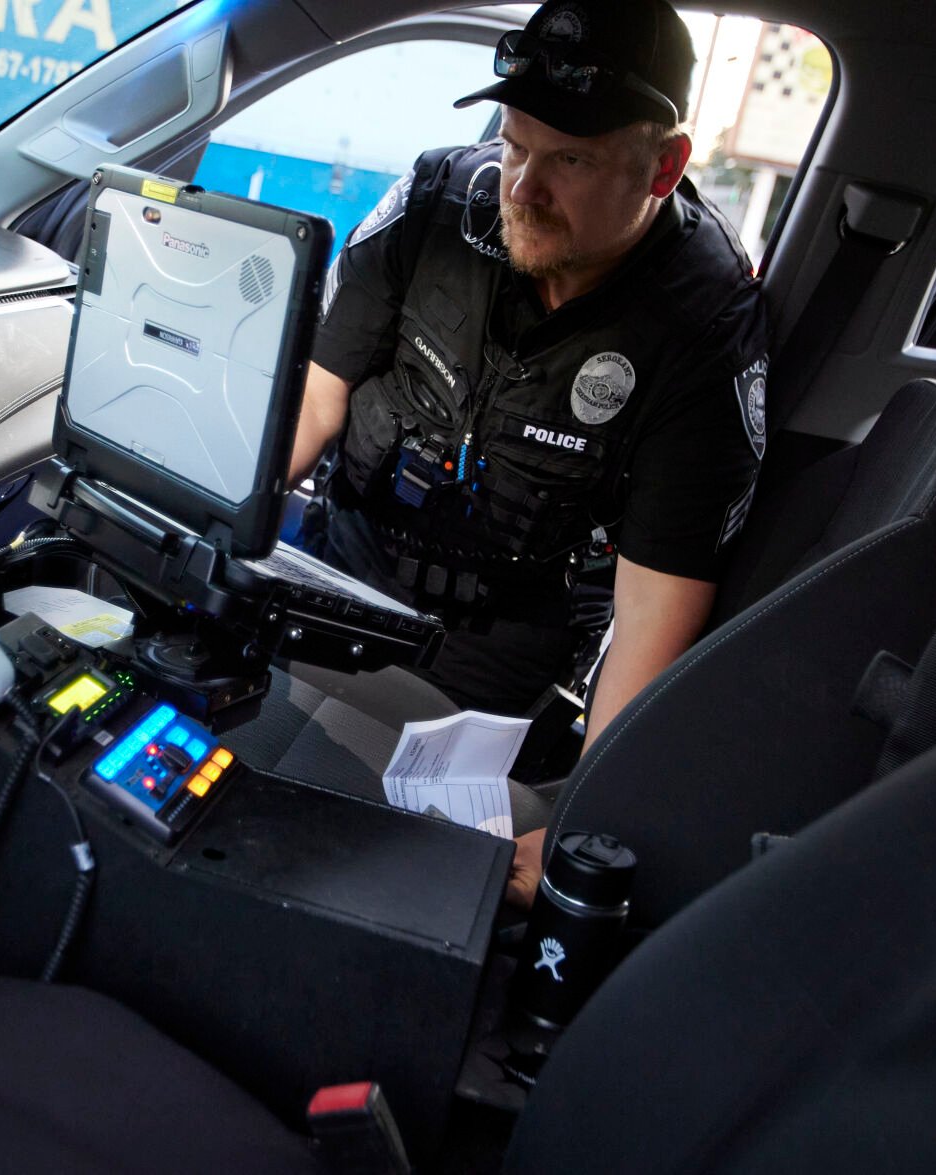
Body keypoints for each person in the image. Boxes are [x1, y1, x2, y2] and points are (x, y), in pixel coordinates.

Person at [290, 0, 769, 901]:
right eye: (514, 143)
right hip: (337, 578)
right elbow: (317, 396)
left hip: (487, 666)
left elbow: (652, 608)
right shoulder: (434, 203)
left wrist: (585, 820)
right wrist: (209, 532)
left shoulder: (701, 325)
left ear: (662, 166)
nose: (520, 186)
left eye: (569, 160)